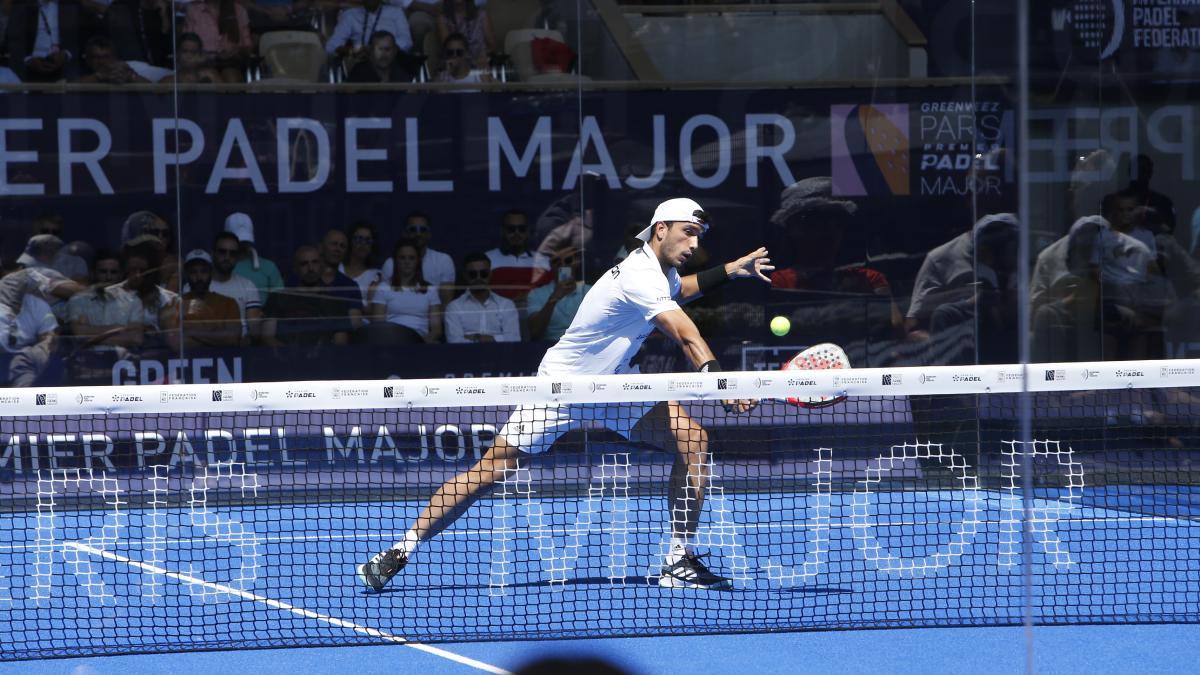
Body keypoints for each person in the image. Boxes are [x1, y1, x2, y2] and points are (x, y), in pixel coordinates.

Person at [358, 197, 773, 592]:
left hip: (613, 386)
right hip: (560, 388)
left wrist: (730, 270)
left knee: (693, 439)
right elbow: (685, 333)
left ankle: (678, 559)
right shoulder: (639, 275)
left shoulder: (656, 271)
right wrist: (723, 382)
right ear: (660, 229)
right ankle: (401, 549)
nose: (695, 244)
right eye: (688, 233)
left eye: (700, 235)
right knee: (488, 473)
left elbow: (679, 289)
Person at [65, 250, 142, 382]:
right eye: (103, 271)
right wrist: (119, 329)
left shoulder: (133, 301)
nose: (108, 277)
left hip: (122, 365)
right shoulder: (77, 300)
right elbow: (79, 334)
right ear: (93, 273)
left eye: (113, 272)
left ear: (121, 275)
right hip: (87, 365)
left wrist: (90, 333)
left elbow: (135, 338)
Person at [261, 246, 351, 348]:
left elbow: (340, 344)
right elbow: (267, 337)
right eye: (304, 264)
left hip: (323, 361)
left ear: (321, 265)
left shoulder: (336, 302)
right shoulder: (277, 298)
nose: (311, 268)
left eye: (315, 262)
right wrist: (290, 356)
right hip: (286, 360)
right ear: (295, 269)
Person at [367, 238, 442, 343]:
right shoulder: (383, 288)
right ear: (395, 261)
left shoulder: (431, 290)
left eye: (411, 258)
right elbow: (378, 326)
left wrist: (423, 344)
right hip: (391, 342)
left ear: (418, 261)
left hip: (421, 343)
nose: (407, 262)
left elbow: (436, 330)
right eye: (402, 258)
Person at [380, 211, 456, 304]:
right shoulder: (390, 263)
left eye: (423, 229)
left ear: (429, 234)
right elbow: (383, 301)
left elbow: (445, 304)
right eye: (413, 229)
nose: (418, 234)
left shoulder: (443, 260)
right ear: (404, 233)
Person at [443, 252, 519, 343]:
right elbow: (454, 342)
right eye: (473, 274)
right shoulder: (454, 307)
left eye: (484, 273)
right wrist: (497, 339)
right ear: (465, 276)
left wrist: (477, 338)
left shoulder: (506, 304)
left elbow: (514, 338)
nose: (478, 278)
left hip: (500, 355)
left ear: (490, 274)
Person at [180, 249, 241, 348]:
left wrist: (190, 330)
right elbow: (176, 342)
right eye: (193, 272)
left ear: (211, 273)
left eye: (203, 271)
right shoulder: (177, 304)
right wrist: (216, 334)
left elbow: (232, 339)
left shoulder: (228, 303)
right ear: (187, 275)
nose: (199, 277)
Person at [208, 232, 264, 341]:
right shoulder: (194, 286)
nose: (227, 257)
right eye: (222, 252)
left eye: (232, 253)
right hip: (206, 352)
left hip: (241, 351)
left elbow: (255, 332)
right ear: (212, 253)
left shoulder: (248, 285)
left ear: (237, 257)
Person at [525, 246, 587, 341]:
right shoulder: (536, 294)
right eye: (556, 261)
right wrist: (553, 299)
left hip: (584, 346)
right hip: (550, 347)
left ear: (577, 262)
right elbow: (534, 333)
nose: (562, 265)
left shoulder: (591, 291)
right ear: (550, 265)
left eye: (568, 260)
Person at [484, 208, 549, 301]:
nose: (516, 233)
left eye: (521, 229)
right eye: (511, 229)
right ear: (503, 231)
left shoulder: (544, 261)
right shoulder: (487, 259)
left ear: (527, 231)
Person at [182, 0, 251, 83]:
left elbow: (248, 47)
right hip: (202, 64)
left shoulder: (239, 10)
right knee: (210, 75)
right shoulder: (193, 10)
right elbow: (186, 46)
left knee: (232, 77)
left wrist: (237, 50)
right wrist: (203, 56)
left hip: (231, 63)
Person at [224, 212, 284, 304]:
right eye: (237, 240)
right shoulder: (216, 269)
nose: (241, 244)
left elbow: (280, 302)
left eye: (245, 239)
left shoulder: (269, 268)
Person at [326, 0, 412, 64]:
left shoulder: (396, 13)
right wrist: (354, 51)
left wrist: (383, 49)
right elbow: (331, 47)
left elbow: (406, 42)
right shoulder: (350, 15)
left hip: (392, 61)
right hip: (361, 61)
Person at [317, 228, 366, 331]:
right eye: (334, 244)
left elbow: (355, 324)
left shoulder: (350, 286)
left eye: (342, 246)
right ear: (321, 247)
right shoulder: (304, 279)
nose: (337, 249)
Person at [435, 0, 493, 69]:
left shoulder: (482, 15)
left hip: (481, 64)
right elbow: (449, 50)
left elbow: (492, 46)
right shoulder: (442, 19)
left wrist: (482, 56)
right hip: (456, 66)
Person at [345, 30, 417, 83]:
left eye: (387, 49)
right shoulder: (358, 73)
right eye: (380, 49)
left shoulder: (404, 72)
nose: (383, 54)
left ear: (395, 51)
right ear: (371, 51)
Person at [339, 220, 383, 307]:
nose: (363, 244)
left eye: (367, 240)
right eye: (358, 239)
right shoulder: (338, 268)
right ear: (349, 241)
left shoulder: (376, 276)